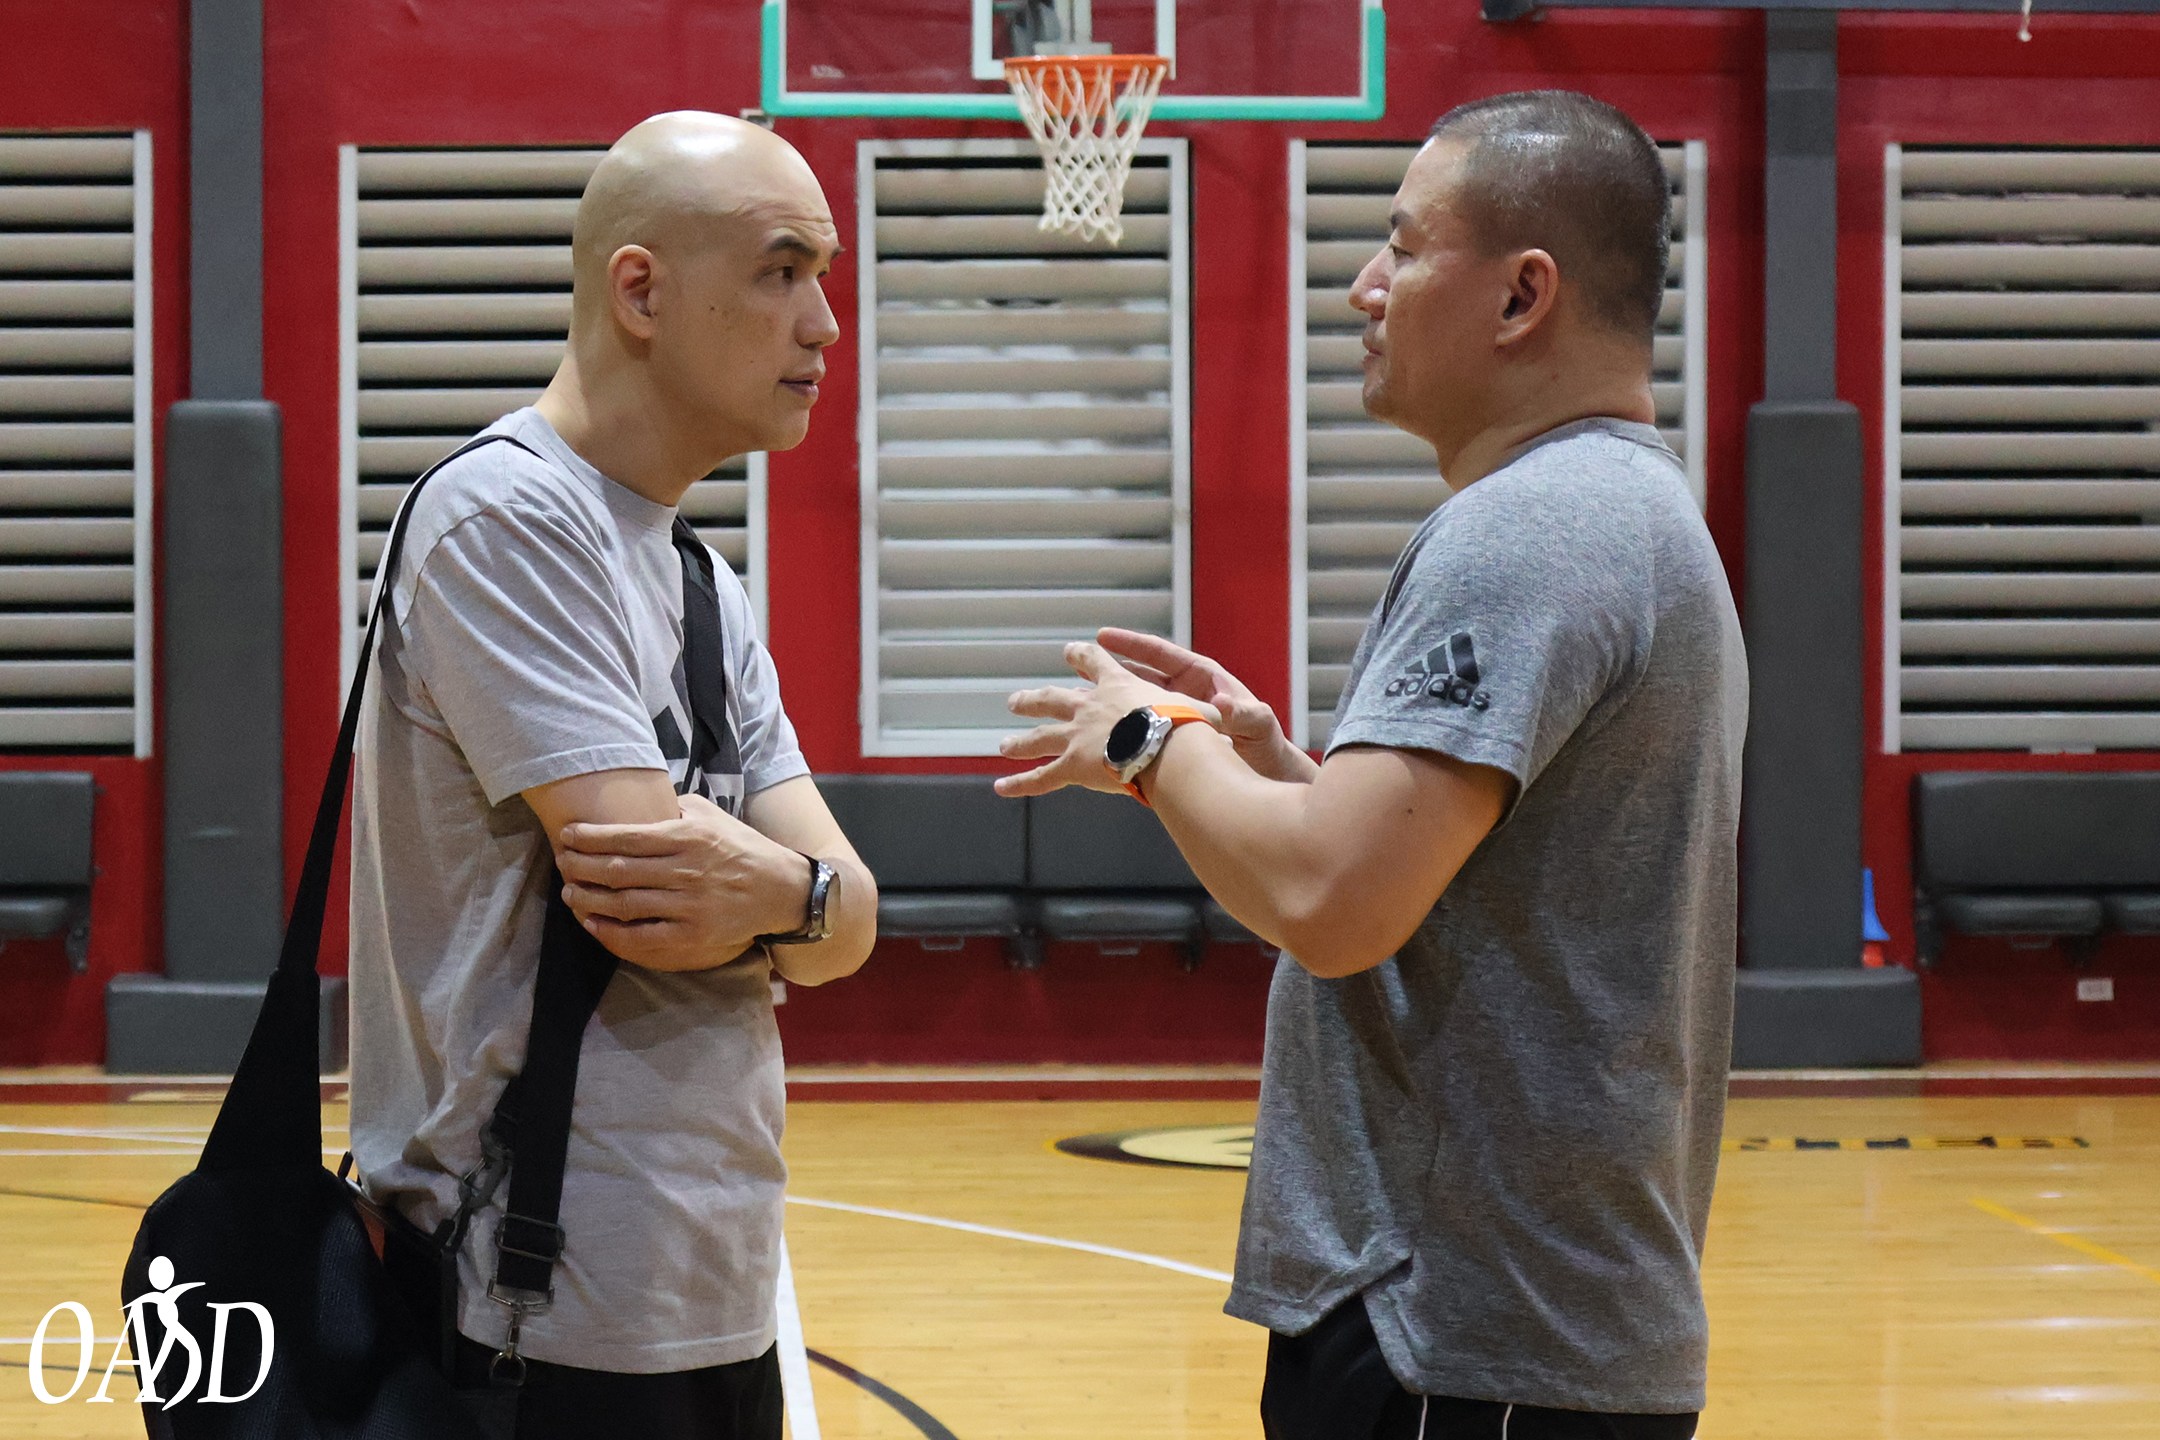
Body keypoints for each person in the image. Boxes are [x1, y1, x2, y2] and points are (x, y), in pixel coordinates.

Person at [997, 91, 1745, 1439]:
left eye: (1402, 247)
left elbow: (1333, 904)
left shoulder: (1530, 530)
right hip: (1514, 1337)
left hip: (1460, 1343)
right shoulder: (1626, 510)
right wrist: (1285, 774)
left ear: (1524, 298)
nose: (1364, 286)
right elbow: (1442, 883)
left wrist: (1140, 739)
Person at [348, 111, 877, 1440]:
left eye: (825, 276)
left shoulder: (699, 577)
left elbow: (849, 924)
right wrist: (801, 897)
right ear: (638, 289)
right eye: (781, 270)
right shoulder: (507, 518)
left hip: (710, 1276)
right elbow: (647, 900)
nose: (824, 325)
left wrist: (788, 900)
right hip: (532, 1298)